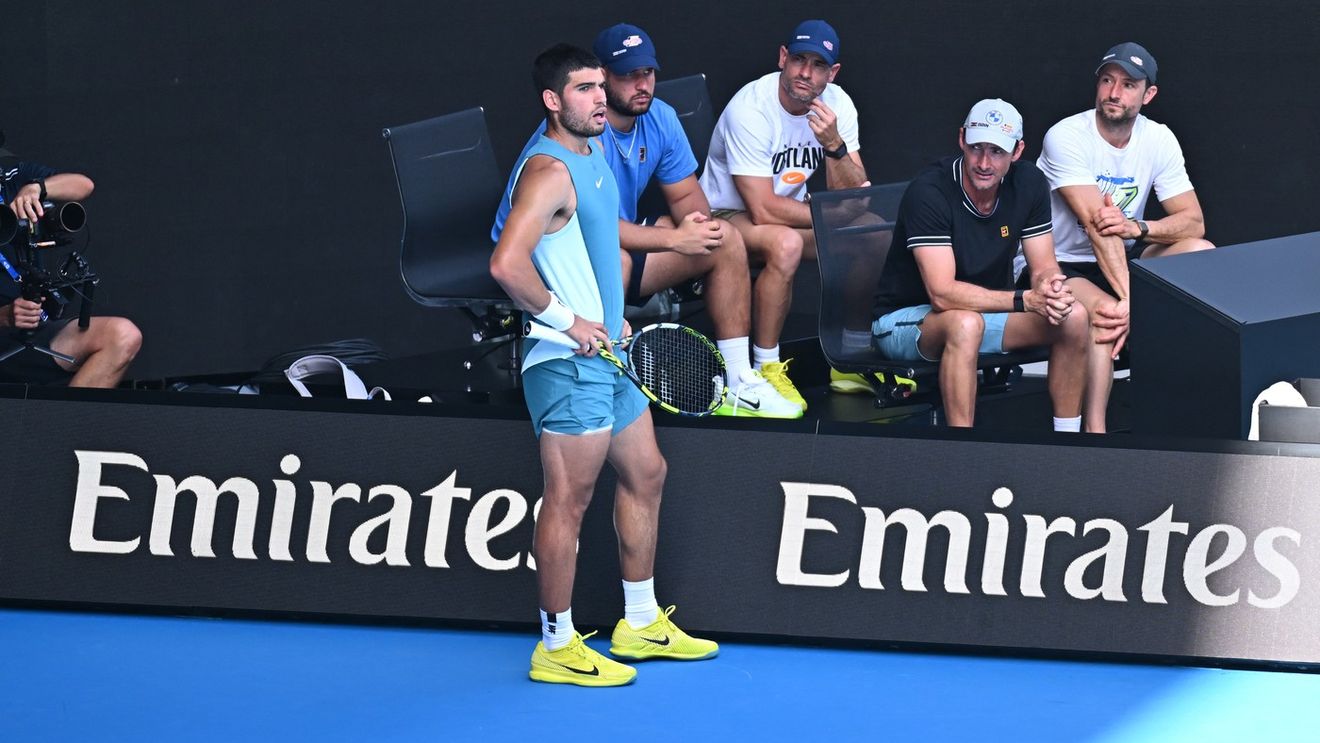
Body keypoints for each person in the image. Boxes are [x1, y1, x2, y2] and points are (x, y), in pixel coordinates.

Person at [489, 44, 717, 688]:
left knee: (647, 471)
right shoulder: (547, 170)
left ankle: (639, 622)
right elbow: (506, 264)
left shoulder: (592, 157)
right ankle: (556, 645)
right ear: (552, 101)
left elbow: (591, 240)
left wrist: (609, 313)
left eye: (599, 86)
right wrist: (569, 321)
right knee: (568, 500)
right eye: (583, 89)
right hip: (565, 364)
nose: (597, 97)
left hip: (607, 356)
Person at [493, 24, 799, 418]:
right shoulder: (577, 139)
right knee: (618, 262)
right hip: (555, 253)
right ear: (601, 77)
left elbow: (687, 197)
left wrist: (695, 230)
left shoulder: (659, 117)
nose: (642, 85)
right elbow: (587, 230)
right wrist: (673, 242)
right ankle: (597, 360)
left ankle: (739, 382)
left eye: (648, 74)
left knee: (720, 237)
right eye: (626, 76)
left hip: (605, 239)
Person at [872, 99, 1091, 430]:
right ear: (961, 139)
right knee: (964, 324)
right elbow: (942, 295)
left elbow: (1044, 264)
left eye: (997, 151)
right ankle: (963, 453)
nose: (984, 162)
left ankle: (1069, 443)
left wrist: (1049, 287)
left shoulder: (1029, 182)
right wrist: (1025, 300)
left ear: (1017, 151)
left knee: (1073, 317)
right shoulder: (929, 191)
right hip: (903, 322)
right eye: (976, 148)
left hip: (983, 315)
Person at [1029, 42, 1214, 432]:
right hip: (1060, 262)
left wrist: (1140, 227)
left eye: (1129, 85)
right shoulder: (1066, 136)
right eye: (1107, 81)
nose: (1114, 93)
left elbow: (1193, 223)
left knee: (1201, 253)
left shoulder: (1158, 139)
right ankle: (1096, 434)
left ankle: (1185, 412)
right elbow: (1099, 227)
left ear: (1148, 95)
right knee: (1109, 312)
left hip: (1122, 256)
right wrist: (1133, 302)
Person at [698, 19, 870, 412]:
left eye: (818, 65)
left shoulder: (838, 105)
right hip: (730, 214)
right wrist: (830, 215)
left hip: (794, 211)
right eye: (798, 60)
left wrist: (835, 146)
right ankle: (766, 367)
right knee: (787, 242)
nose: (805, 73)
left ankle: (849, 359)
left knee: (868, 233)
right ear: (782, 59)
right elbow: (760, 207)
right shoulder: (751, 107)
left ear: (833, 72)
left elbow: (857, 198)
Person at [0, 153, 141, 388]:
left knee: (123, 335)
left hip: (33, 330)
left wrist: (36, 188)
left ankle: (59, 424)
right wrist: (4, 316)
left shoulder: (12, 179)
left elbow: (83, 185)